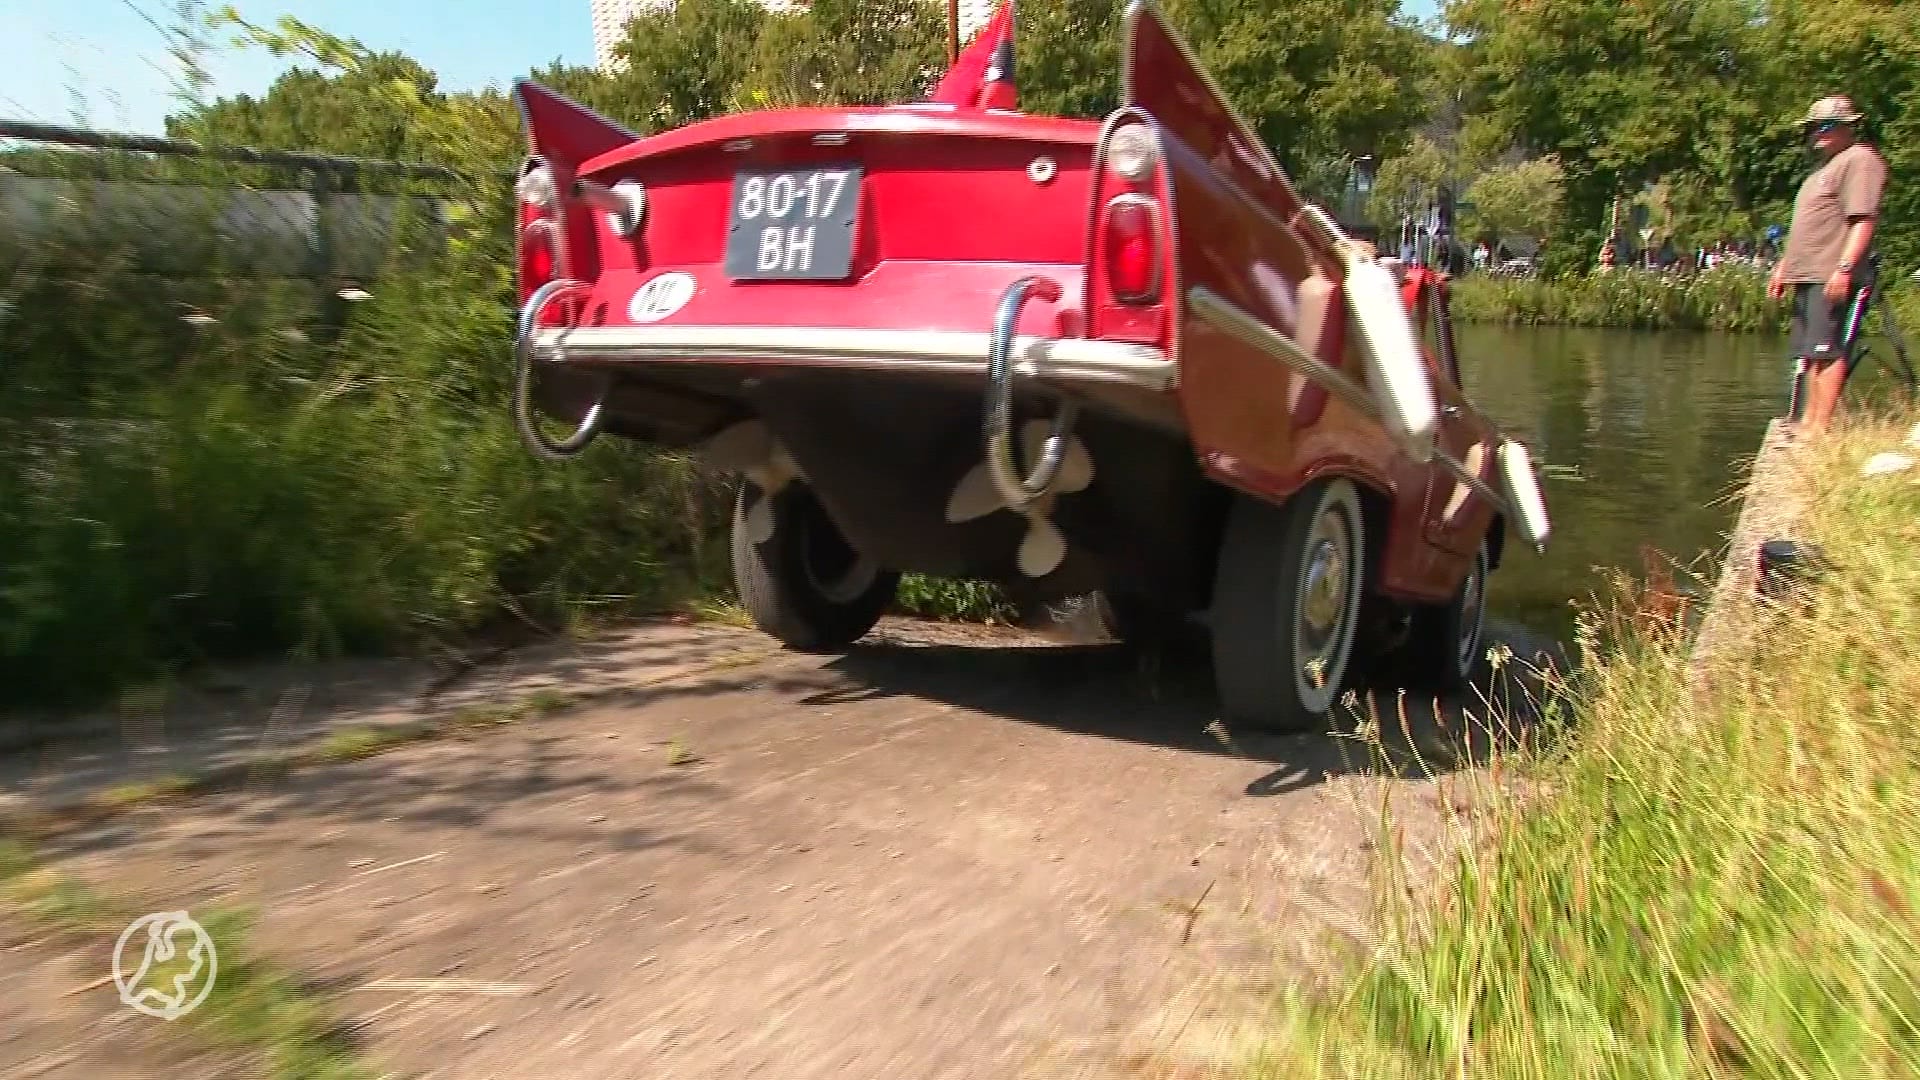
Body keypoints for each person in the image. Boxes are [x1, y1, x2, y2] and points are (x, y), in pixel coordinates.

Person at [1767, 94, 1890, 434]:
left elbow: (1863, 219)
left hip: (1831, 273)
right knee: (1808, 354)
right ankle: (1807, 421)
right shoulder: (1822, 169)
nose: (1817, 134)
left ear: (1848, 127)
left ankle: (1820, 427)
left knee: (1827, 350)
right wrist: (1784, 268)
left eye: (1825, 126)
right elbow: (1806, 227)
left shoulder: (1858, 159)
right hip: (1807, 275)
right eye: (1812, 128)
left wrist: (1846, 268)